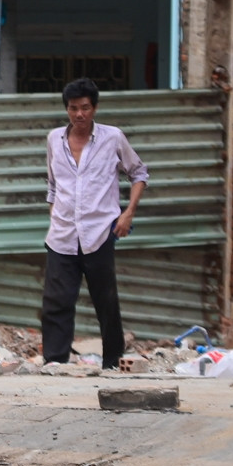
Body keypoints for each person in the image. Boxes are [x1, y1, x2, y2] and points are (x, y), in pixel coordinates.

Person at [41, 77, 149, 371]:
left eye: (85, 108)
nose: (79, 114)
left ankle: (112, 361)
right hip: (62, 235)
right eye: (73, 108)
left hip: (100, 233)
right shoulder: (54, 140)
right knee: (56, 301)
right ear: (67, 110)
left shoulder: (112, 138)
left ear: (95, 108)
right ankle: (54, 361)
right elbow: (53, 186)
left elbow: (139, 173)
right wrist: (55, 215)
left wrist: (128, 214)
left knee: (106, 301)